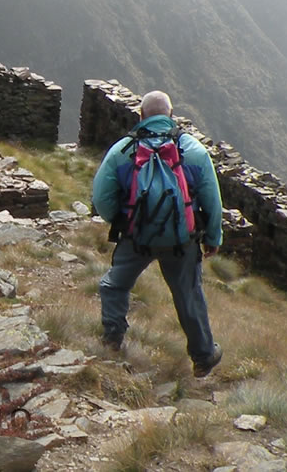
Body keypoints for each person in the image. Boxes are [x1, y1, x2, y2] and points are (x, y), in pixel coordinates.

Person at [90, 90, 223, 377]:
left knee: (114, 285)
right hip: (181, 241)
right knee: (188, 294)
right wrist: (213, 237)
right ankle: (203, 357)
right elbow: (212, 201)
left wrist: (124, 221)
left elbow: (101, 197)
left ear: (141, 116)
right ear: (171, 115)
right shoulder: (195, 152)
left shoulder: (122, 151)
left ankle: (112, 340)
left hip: (135, 238)